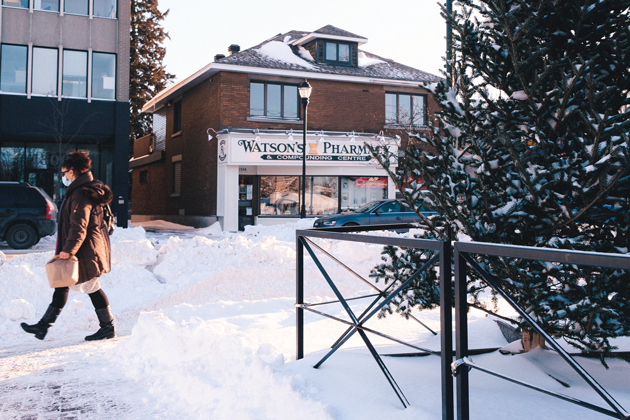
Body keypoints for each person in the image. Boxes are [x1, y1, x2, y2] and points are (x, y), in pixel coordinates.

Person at [21, 151, 115, 341]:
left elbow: (78, 227)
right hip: (83, 249)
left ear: (72, 171)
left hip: (85, 251)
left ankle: (108, 327)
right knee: (63, 285)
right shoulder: (80, 191)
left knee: (91, 287)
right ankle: (43, 327)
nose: (63, 176)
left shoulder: (82, 193)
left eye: (64, 172)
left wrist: (67, 250)